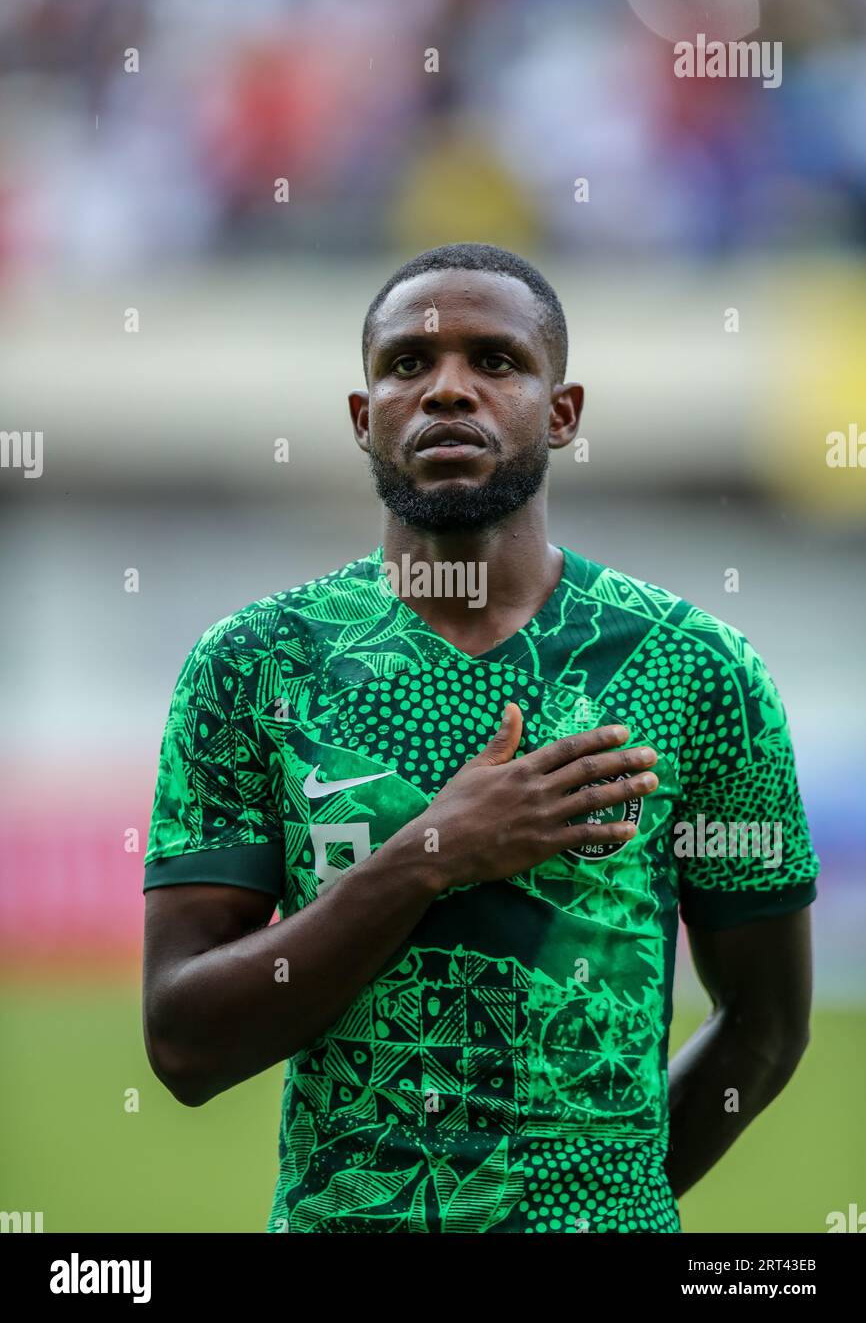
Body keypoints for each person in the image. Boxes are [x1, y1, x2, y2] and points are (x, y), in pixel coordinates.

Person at [142, 242, 818, 1234]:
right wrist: (431, 853)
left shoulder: (696, 668)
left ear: (561, 412)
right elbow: (184, 1046)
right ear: (362, 418)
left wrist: (599, 1206)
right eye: (408, 365)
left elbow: (764, 1026)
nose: (447, 390)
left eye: (494, 361)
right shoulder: (254, 664)